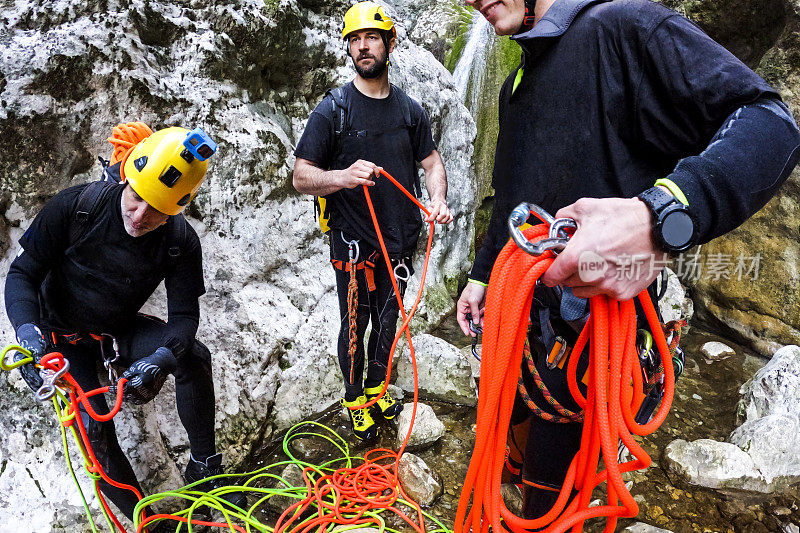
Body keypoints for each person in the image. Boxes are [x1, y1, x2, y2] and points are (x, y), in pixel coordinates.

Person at [456, 0, 800, 519]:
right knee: (508, 464)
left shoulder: (621, 28)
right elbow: (512, 202)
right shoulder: (516, 86)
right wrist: (482, 277)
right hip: (520, 326)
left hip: (589, 343)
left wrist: (658, 215)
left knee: (550, 507)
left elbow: (770, 124)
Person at [5, 123, 246, 527]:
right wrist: (29, 334)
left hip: (115, 328)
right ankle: (146, 522)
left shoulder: (179, 241)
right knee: (95, 428)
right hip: (60, 335)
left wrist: (163, 358)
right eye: (136, 198)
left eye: (157, 210)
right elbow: (23, 274)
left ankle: (205, 469)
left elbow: (184, 318)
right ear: (126, 180)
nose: (140, 215)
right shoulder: (78, 206)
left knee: (194, 357)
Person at [293, 1, 453, 440]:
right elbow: (301, 175)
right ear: (348, 48)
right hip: (353, 244)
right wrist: (343, 177)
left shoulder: (409, 110)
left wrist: (437, 199)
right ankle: (352, 398)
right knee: (355, 323)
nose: (363, 47)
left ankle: (376, 387)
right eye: (355, 40)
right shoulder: (334, 110)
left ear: (389, 44)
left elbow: (432, 163)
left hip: (399, 239)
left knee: (388, 320)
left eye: (372, 38)